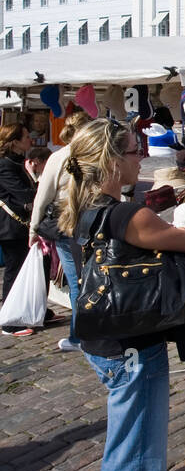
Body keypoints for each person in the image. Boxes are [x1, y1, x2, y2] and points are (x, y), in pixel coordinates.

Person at [59, 118, 185, 471]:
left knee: (137, 453)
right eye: (132, 151)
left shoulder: (81, 210)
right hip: (133, 350)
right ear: (110, 161)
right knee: (132, 457)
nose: (140, 158)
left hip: (105, 344)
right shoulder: (126, 216)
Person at [30, 109, 93, 352]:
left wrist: (33, 230)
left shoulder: (59, 157)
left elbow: (42, 198)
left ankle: (79, 337)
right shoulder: (95, 155)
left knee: (78, 284)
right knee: (93, 280)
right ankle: (93, 332)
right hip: (92, 224)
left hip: (68, 226)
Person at [0, 123, 37, 336]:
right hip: (10, 227)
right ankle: (9, 321)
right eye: (25, 136)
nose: (30, 139)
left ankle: (28, 311)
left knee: (25, 269)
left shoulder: (15, 162)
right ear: (15, 141)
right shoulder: (5, 165)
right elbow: (24, 194)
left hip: (17, 224)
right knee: (14, 271)